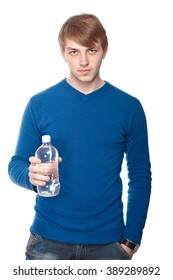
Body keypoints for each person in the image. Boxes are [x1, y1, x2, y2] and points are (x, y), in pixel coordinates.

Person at [8, 13, 152, 260]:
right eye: (74, 52)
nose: (83, 61)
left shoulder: (129, 107)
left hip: (110, 245)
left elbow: (140, 176)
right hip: (47, 243)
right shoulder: (39, 104)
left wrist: (131, 240)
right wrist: (31, 177)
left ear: (104, 50)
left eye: (91, 50)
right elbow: (16, 165)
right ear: (63, 53)